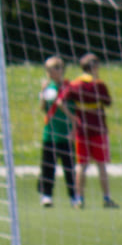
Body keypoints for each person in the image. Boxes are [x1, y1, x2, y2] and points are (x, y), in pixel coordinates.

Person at [61, 53, 117, 207]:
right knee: (101, 165)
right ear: (94, 67)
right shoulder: (99, 84)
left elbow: (60, 102)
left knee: (81, 165)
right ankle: (106, 198)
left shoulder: (75, 84)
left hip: (81, 129)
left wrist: (73, 117)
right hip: (98, 128)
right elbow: (108, 102)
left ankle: (79, 198)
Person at [35, 56, 78, 206]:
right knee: (48, 166)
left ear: (61, 70)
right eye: (48, 69)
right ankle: (47, 195)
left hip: (66, 134)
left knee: (69, 167)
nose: (49, 72)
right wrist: (42, 92)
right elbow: (42, 108)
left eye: (53, 68)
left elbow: (76, 112)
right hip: (50, 134)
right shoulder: (48, 87)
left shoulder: (69, 87)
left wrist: (74, 131)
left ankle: (74, 196)